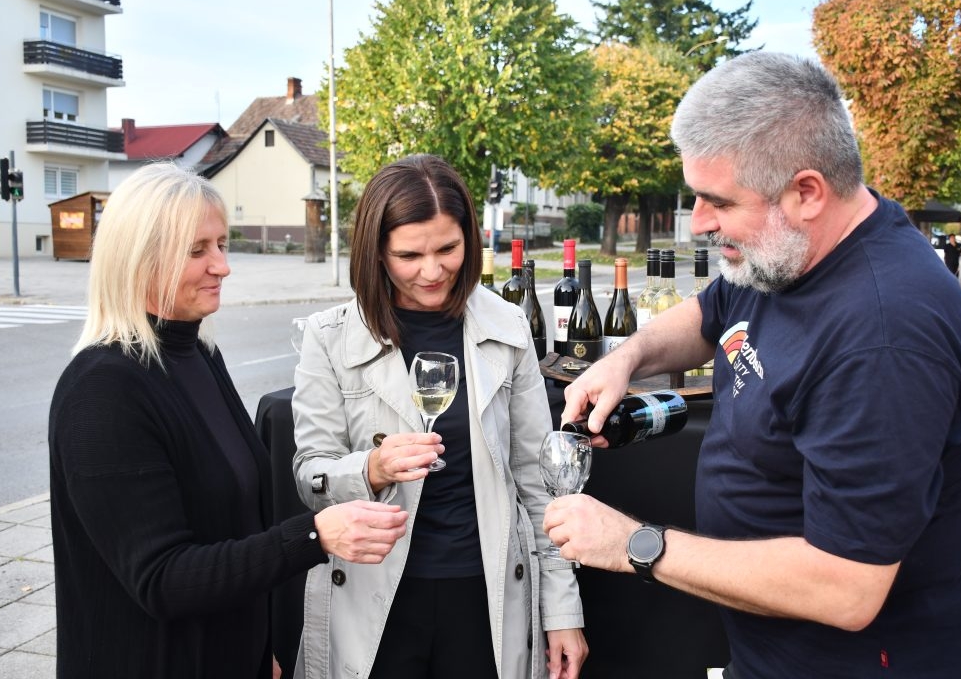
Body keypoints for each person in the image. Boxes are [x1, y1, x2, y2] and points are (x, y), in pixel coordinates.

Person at [543, 53, 961, 678]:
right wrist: (629, 356)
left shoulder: (884, 336)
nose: (700, 223)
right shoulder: (787, 249)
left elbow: (846, 587)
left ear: (807, 191)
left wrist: (632, 544)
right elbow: (712, 312)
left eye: (717, 201)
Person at [49, 163, 408, 679]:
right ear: (138, 259)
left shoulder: (196, 353)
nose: (222, 265)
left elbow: (235, 524)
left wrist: (259, 648)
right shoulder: (103, 390)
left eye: (221, 244)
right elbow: (163, 577)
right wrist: (315, 535)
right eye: (197, 250)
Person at [291, 154, 587, 679]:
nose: (432, 272)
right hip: (374, 597)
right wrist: (370, 470)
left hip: (486, 593)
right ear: (376, 253)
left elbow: (539, 484)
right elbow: (310, 476)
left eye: (448, 249)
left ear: (470, 240)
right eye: (409, 255)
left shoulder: (508, 326)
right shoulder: (330, 337)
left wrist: (562, 611)